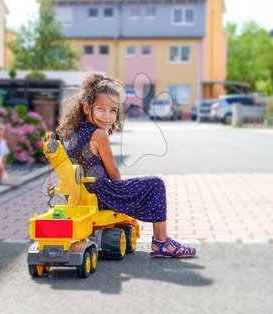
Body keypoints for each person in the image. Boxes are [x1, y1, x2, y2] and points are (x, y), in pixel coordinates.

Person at [56, 74, 196, 258]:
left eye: (113, 111)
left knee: (140, 188)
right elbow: (113, 171)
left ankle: (160, 239)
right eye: (101, 109)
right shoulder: (99, 135)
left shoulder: (74, 133)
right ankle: (161, 242)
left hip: (80, 195)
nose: (108, 116)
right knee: (156, 184)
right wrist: (121, 190)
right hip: (102, 194)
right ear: (86, 108)